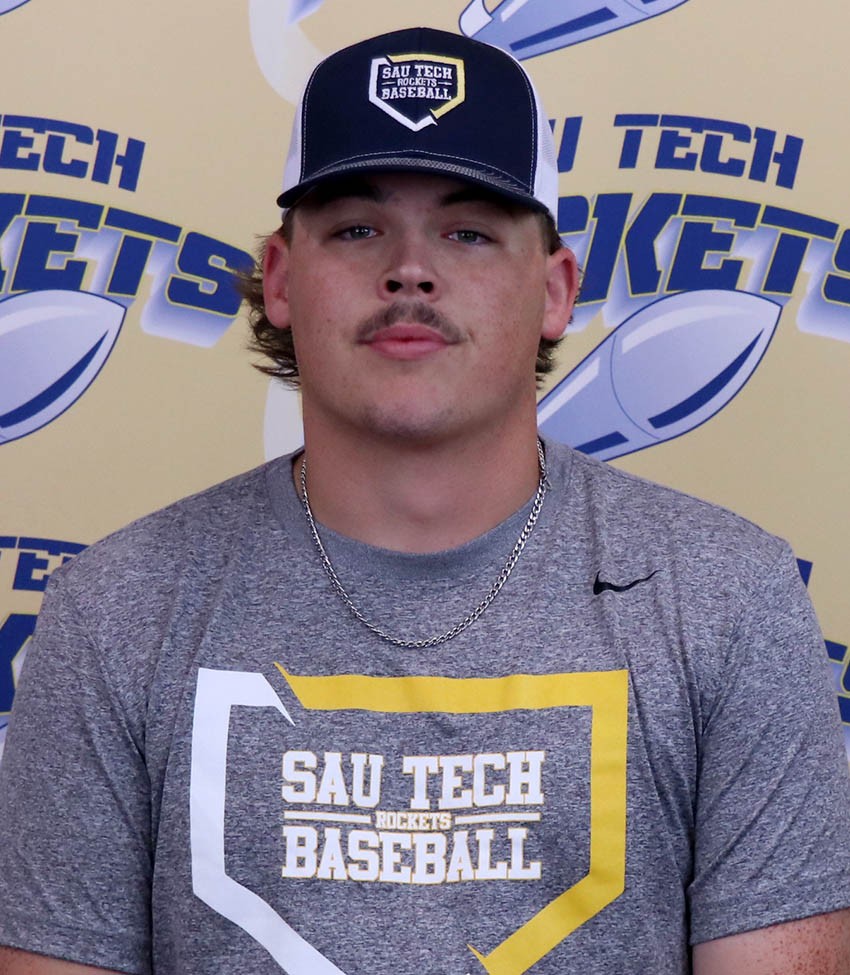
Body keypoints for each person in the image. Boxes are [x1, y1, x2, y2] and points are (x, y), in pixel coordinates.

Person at [1, 25, 849, 975]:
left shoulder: (727, 599)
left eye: (469, 231)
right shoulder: (117, 609)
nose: (410, 270)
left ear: (556, 290)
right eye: (358, 228)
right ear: (281, 278)